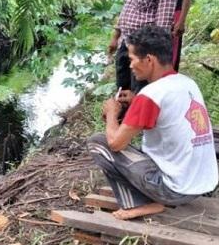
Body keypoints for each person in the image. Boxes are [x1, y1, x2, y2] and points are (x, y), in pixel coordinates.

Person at [89, 26, 217, 220]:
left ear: (149, 59)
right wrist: (136, 101)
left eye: (132, 59)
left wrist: (112, 113)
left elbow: (116, 142)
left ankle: (139, 203)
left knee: (99, 143)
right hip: (201, 183)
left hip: (173, 190)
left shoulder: (151, 95)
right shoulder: (186, 82)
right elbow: (167, 111)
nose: (130, 65)